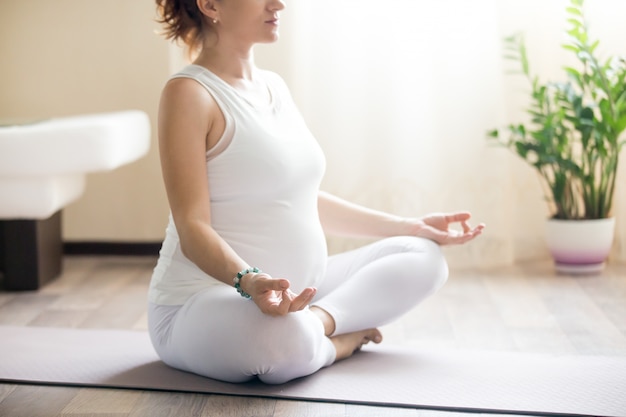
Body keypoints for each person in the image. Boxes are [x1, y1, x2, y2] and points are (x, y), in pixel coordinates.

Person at [148, 0, 485, 385]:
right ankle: (336, 344)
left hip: (296, 292)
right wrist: (249, 280)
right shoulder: (189, 93)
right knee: (278, 338)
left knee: (424, 256)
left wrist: (410, 226)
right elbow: (191, 227)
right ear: (210, 4)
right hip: (204, 300)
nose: (279, 4)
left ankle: (320, 324)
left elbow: (300, 199)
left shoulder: (273, 86)